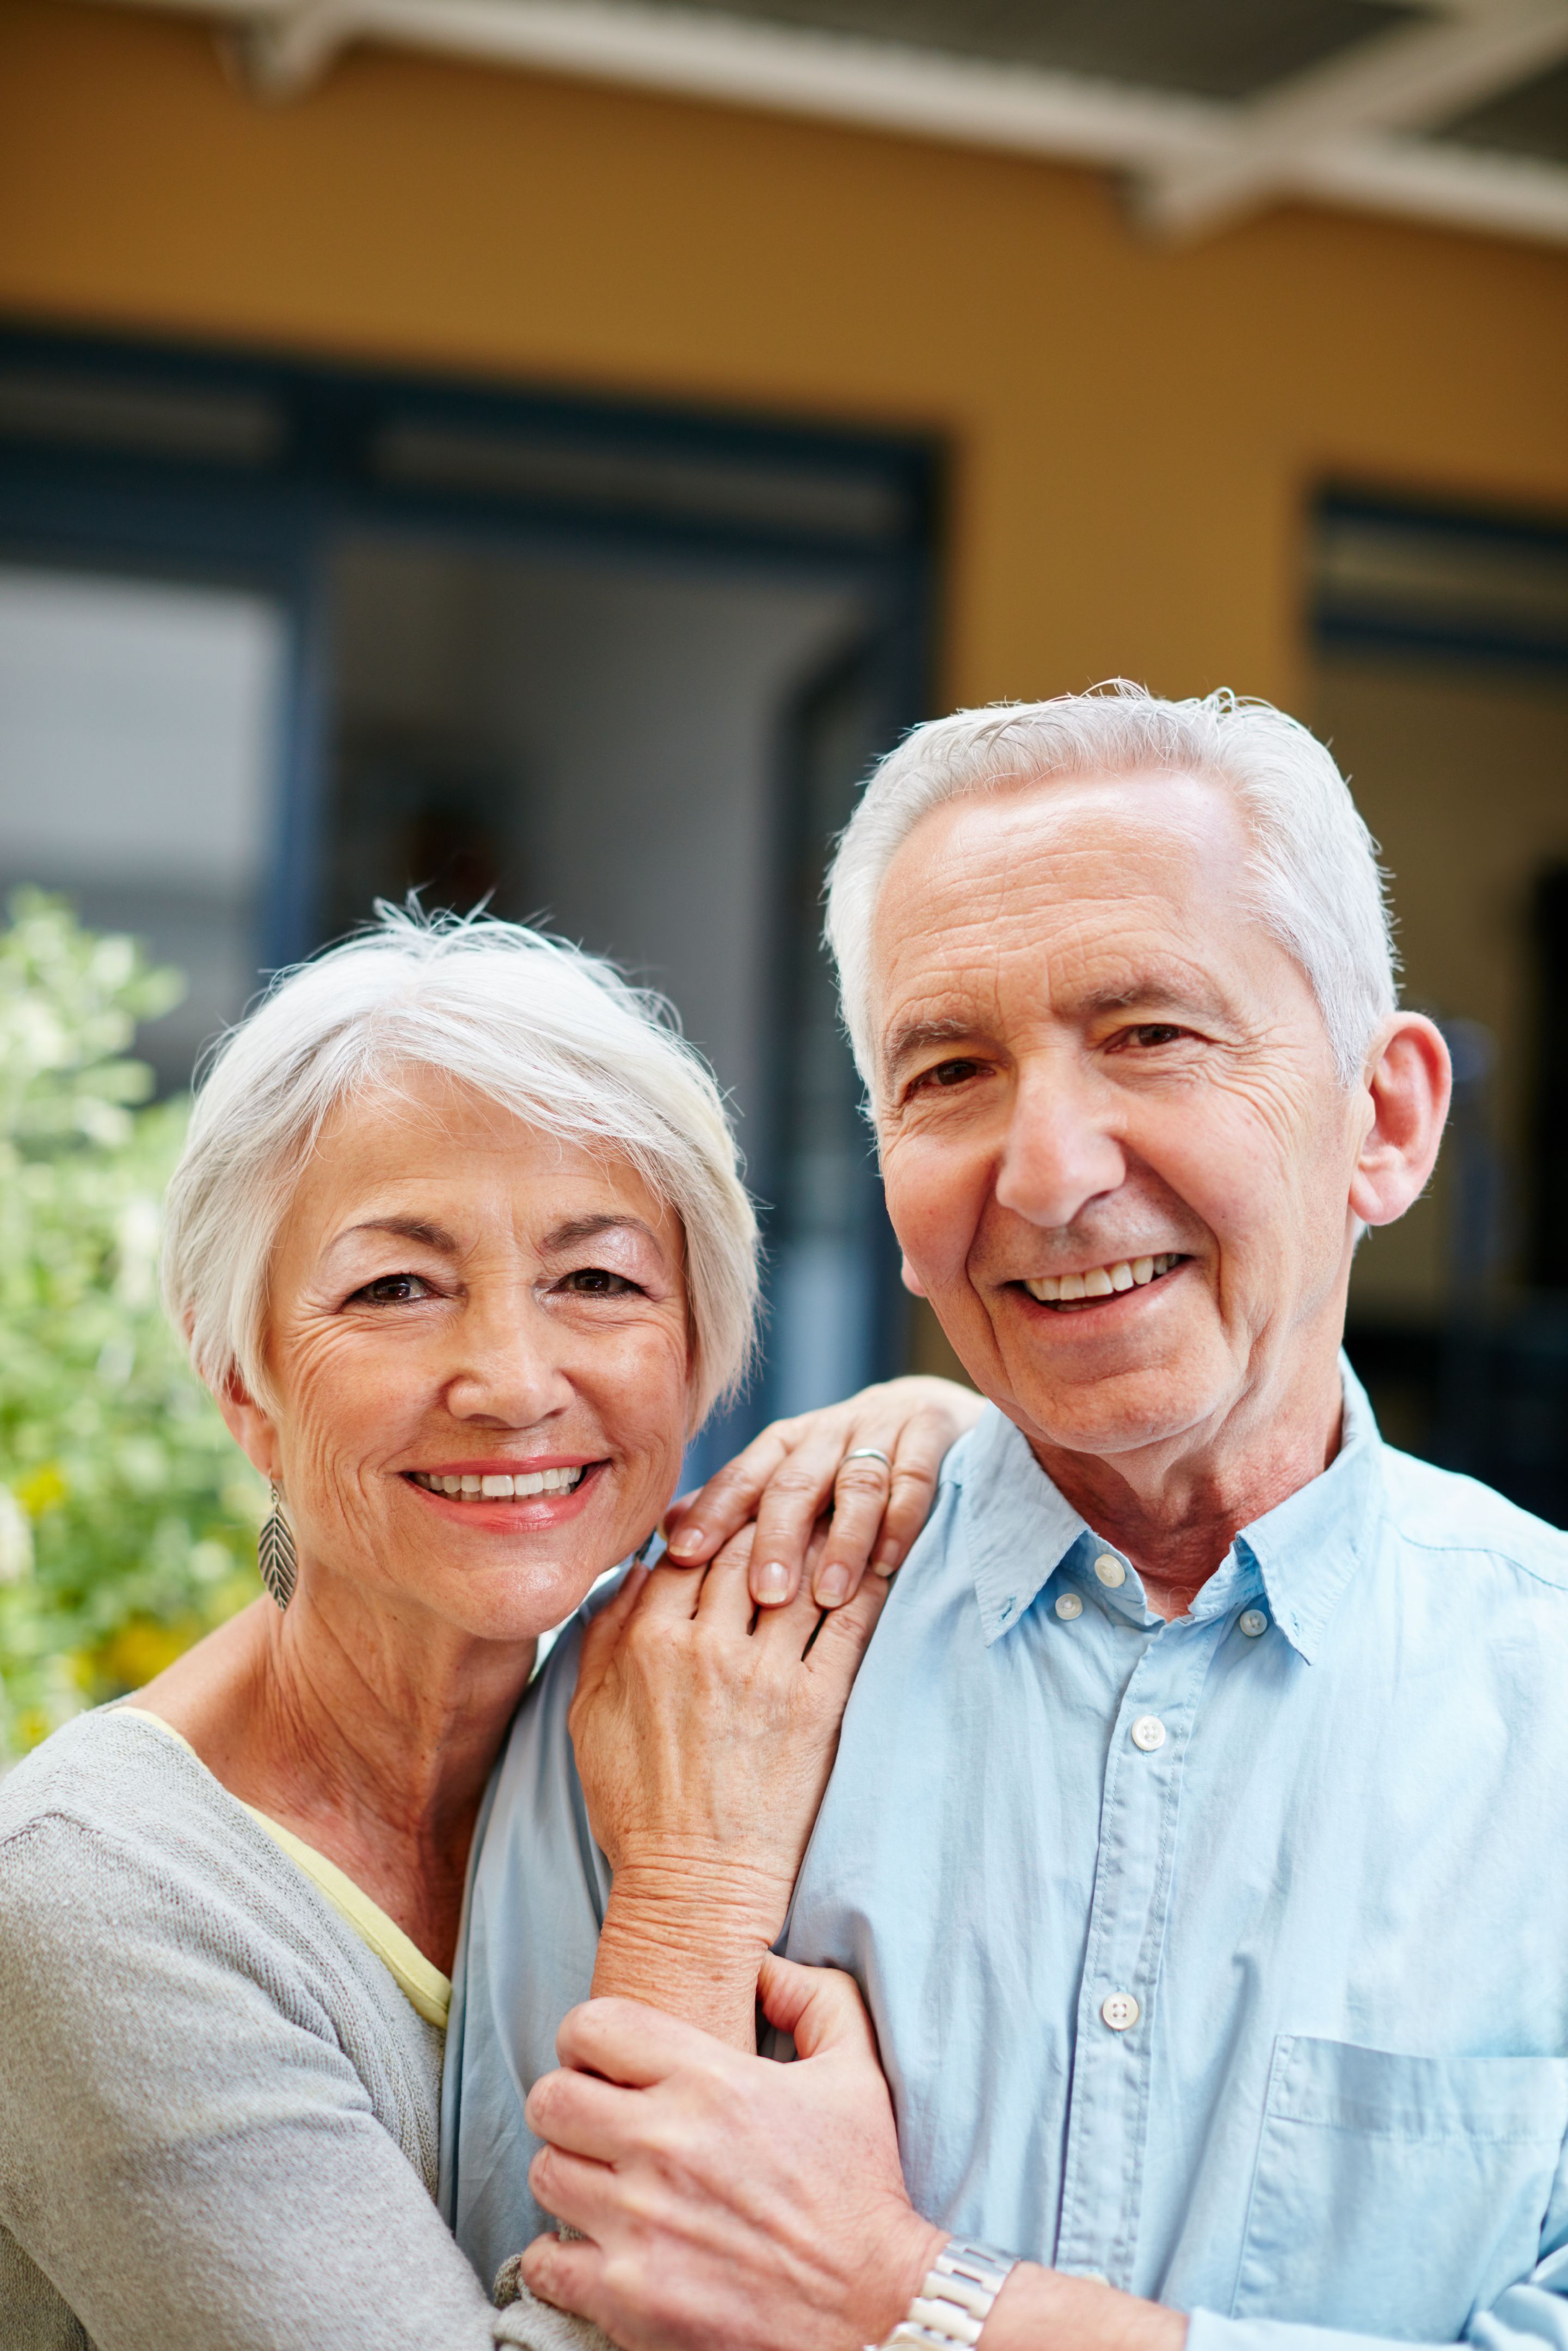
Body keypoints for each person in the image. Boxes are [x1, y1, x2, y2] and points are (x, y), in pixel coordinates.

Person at [458, 685, 1568, 2351]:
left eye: (1151, 1036)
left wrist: (908, 2306)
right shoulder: (687, 1670)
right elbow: (504, 2311)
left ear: (1385, 1121)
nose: (1045, 1173)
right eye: (949, 1071)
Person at [0, 907, 980, 2350]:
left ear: (703, 1351)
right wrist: (690, 1896)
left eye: (596, 1281)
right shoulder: (91, 1903)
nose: (513, 1382)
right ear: (241, 1380)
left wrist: (929, 1435)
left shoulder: (681, 1686)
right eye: (396, 1287)